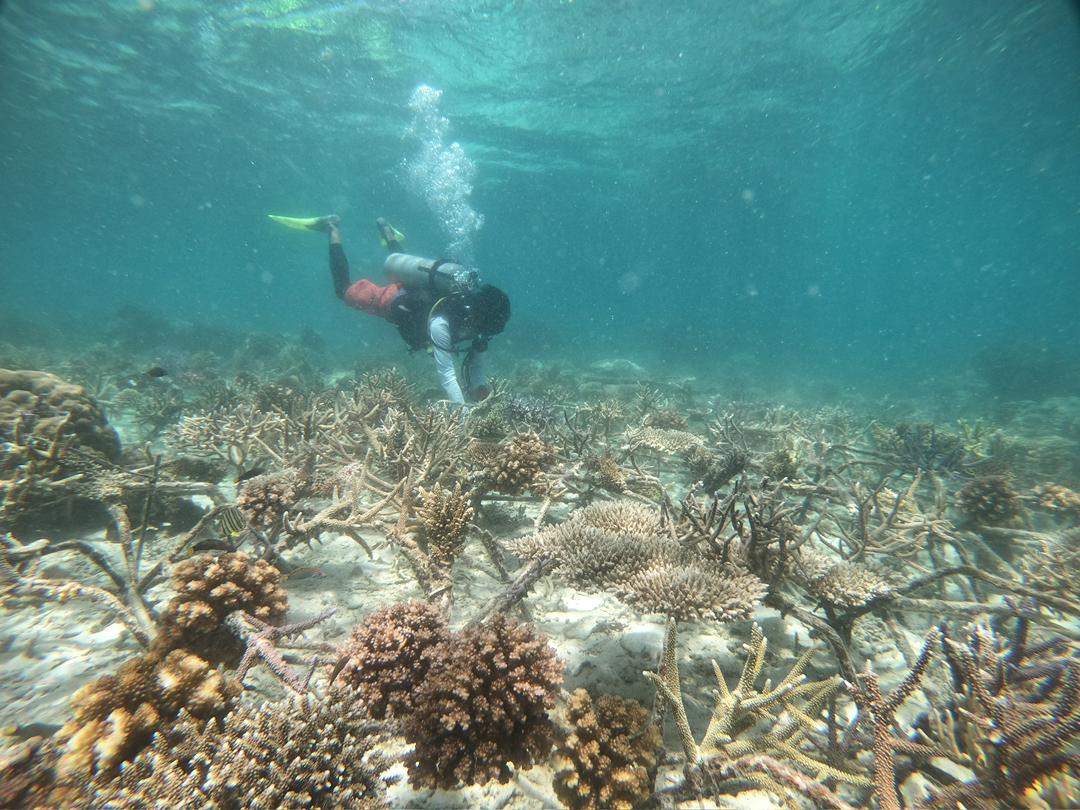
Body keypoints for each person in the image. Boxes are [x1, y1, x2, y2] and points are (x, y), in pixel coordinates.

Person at [286, 214, 510, 406]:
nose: (485, 336)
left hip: (415, 291)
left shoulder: (477, 320)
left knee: (402, 268)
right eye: (487, 330)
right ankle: (332, 228)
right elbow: (447, 375)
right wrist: (463, 417)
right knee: (343, 290)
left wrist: (481, 392)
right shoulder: (441, 322)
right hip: (392, 299)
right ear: (478, 318)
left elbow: (477, 365)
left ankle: (387, 233)